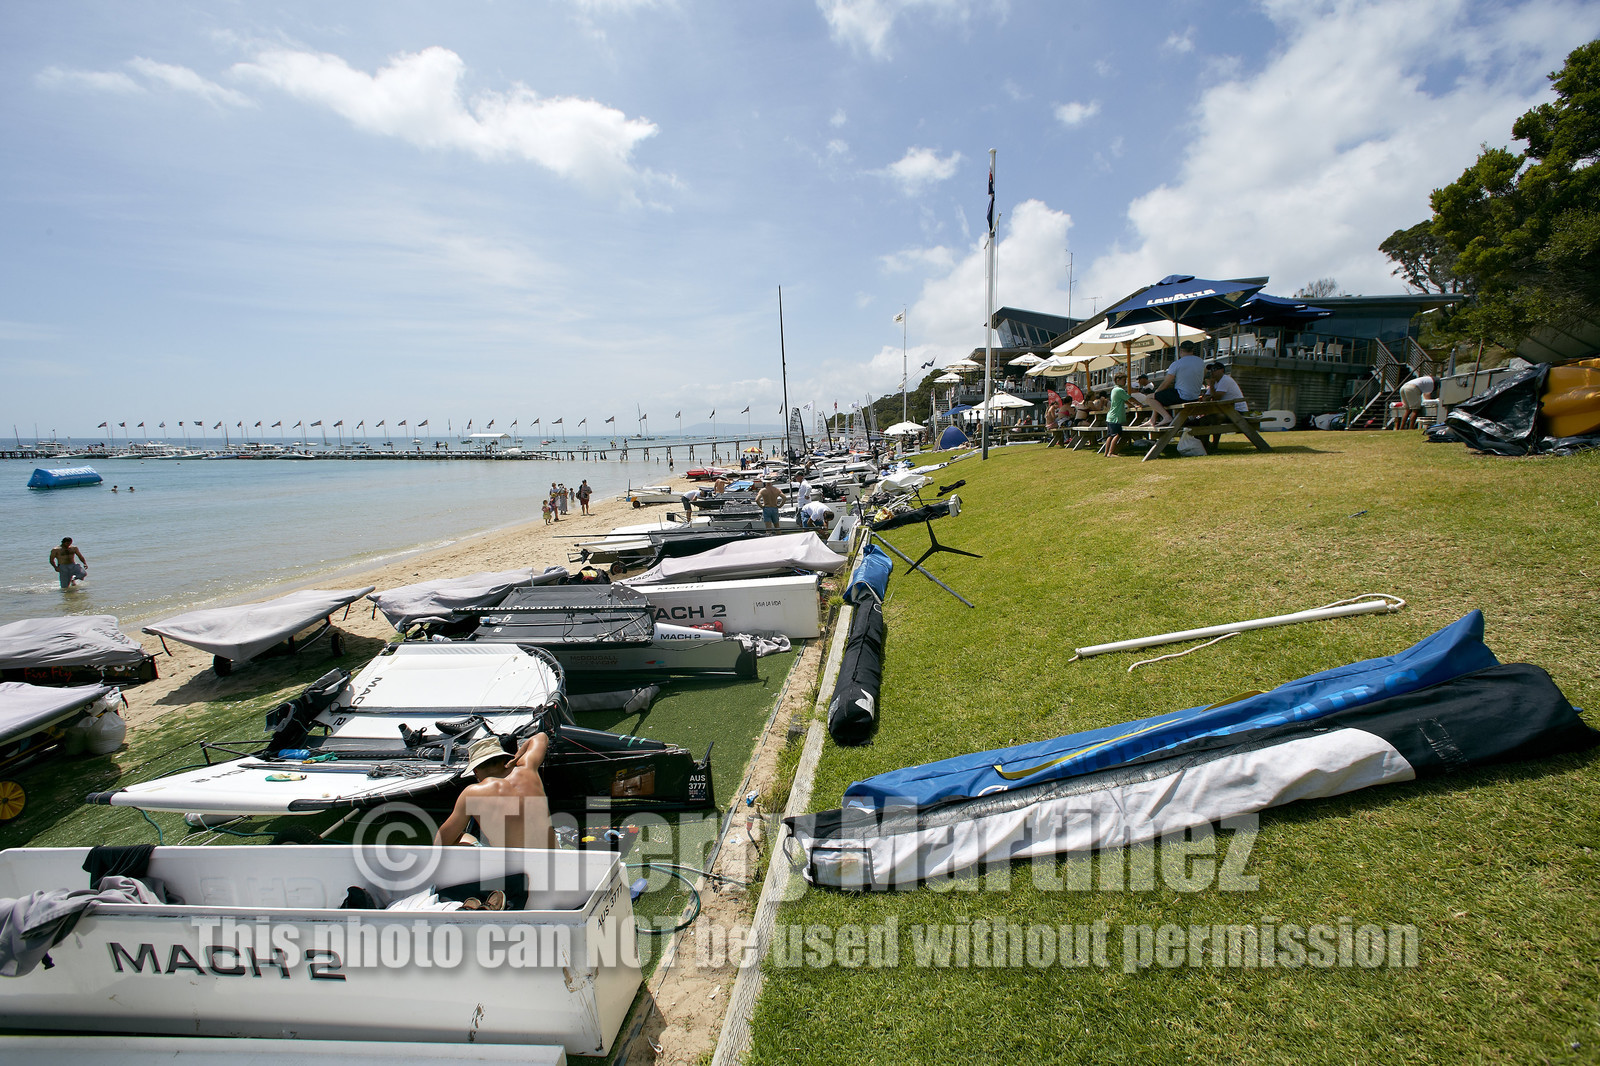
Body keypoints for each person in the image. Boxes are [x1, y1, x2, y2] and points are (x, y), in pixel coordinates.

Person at [433, 734, 555, 849]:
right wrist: (517, 757)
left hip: (515, 867)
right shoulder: (527, 769)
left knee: (464, 837)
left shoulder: (472, 793)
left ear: (475, 771)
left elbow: (441, 842)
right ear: (503, 760)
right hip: (554, 858)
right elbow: (541, 737)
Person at [1150, 340, 1207, 425]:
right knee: (1157, 396)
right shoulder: (1200, 362)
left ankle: (1166, 417)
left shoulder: (1177, 364)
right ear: (1192, 350)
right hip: (1195, 396)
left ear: (1180, 351)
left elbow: (1166, 383)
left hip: (1182, 396)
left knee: (1150, 398)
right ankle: (1152, 420)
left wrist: (1157, 391)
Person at [1102, 372, 1131, 457]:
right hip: (1116, 417)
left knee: (1110, 435)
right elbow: (1130, 398)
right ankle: (1111, 453)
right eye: (1124, 380)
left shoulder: (1114, 390)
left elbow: (1125, 400)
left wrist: (1131, 405)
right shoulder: (1119, 390)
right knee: (1117, 435)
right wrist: (1138, 404)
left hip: (1111, 416)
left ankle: (1106, 453)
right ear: (1118, 380)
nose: (1125, 382)